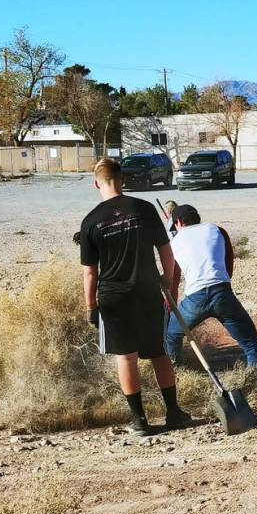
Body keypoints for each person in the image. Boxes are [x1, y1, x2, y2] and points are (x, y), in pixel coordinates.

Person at [79, 158, 191, 437]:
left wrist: (90, 306)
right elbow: (168, 252)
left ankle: (139, 421)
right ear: (122, 180)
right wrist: (166, 278)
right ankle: (174, 413)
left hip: (113, 297)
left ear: (96, 184)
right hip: (147, 293)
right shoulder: (144, 209)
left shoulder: (90, 221)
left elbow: (90, 273)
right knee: (158, 353)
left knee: (125, 359)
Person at [164, 204, 257, 392]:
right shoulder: (217, 230)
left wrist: (170, 305)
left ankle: (176, 380)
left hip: (195, 299)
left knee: (171, 335)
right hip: (222, 292)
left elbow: (174, 279)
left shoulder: (174, 242)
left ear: (179, 222)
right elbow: (228, 266)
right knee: (251, 343)